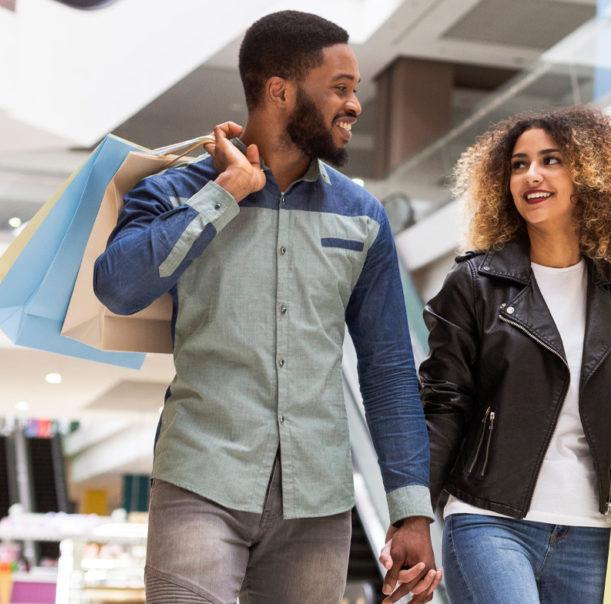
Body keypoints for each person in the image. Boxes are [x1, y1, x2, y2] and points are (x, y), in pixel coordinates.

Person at [94, 11, 438, 602]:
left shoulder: (362, 215)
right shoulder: (177, 190)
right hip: (200, 479)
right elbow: (118, 288)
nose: (354, 105)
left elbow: (388, 368)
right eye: (340, 88)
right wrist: (223, 195)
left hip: (318, 502)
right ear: (279, 90)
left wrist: (410, 509)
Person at [414, 106, 611, 603]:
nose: (532, 175)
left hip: (589, 529)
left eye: (551, 160)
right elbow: (443, 405)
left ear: (588, 174)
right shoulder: (476, 283)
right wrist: (413, 514)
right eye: (519, 164)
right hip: (489, 519)